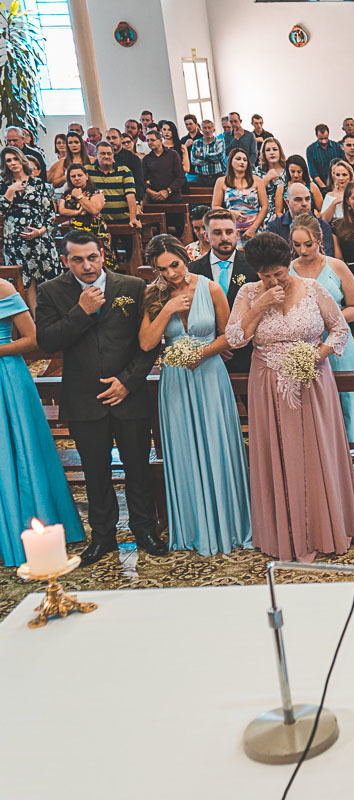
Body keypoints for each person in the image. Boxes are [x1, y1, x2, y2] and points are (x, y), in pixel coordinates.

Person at [225, 231, 354, 561]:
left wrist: (318, 355)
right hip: (267, 384)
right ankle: (283, 533)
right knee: (278, 453)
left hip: (313, 381)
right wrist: (259, 306)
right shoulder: (248, 293)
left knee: (317, 452)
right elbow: (235, 338)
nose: (273, 280)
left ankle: (325, 527)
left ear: (289, 264)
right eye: (265, 275)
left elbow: (339, 328)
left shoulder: (314, 290)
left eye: (279, 273)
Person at [35, 230, 166, 565]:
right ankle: (103, 536)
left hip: (129, 394)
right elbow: (47, 342)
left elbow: (148, 346)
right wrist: (80, 311)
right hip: (83, 397)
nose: (86, 265)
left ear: (103, 253)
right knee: (96, 471)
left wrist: (128, 382)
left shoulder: (132, 287)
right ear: (66, 260)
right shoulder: (52, 292)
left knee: (137, 466)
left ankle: (144, 529)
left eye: (92, 257)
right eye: (77, 259)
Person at [138, 235, 252, 555]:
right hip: (175, 380)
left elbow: (230, 335)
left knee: (217, 445)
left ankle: (228, 524)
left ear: (184, 257)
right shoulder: (153, 294)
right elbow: (147, 343)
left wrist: (202, 354)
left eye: (174, 265)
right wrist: (168, 309)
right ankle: (192, 526)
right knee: (184, 448)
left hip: (210, 375)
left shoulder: (211, 288)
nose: (171, 274)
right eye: (163, 269)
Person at [0, 276, 85, 565]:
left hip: (6, 378)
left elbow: (32, 339)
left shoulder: (3, 288)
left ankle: (24, 529)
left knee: (19, 450)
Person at [288, 214, 354, 443]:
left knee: (346, 398)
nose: (303, 250)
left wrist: (328, 320)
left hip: (337, 342)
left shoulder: (337, 267)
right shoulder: (289, 270)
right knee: (309, 398)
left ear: (320, 239)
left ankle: (353, 451)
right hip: (301, 344)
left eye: (308, 244)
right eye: (297, 245)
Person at [189, 208, 256, 373]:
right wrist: (216, 345)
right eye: (217, 233)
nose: (224, 238)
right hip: (207, 352)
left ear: (237, 234)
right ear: (206, 236)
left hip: (247, 351)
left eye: (229, 232)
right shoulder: (193, 270)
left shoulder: (253, 267)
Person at [0, 147, 58, 313]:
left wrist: (40, 231)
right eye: (8, 161)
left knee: (45, 275)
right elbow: (1, 211)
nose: (12, 163)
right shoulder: (3, 185)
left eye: (15, 159)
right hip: (16, 239)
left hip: (39, 237)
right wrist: (10, 191)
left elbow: (49, 213)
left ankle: (49, 316)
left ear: (21, 160)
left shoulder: (38, 183)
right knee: (26, 279)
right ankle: (33, 320)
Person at [58, 163, 116, 272]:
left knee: (99, 261)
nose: (77, 178)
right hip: (75, 232)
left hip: (96, 231)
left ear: (86, 176)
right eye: (73, 176)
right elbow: (61, 210)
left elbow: (94, 210)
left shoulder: (95, 192)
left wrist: (80, 197)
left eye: (80, 175)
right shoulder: (67, 193)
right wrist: (77, 212)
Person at [266, 182, 338, 258]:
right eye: (298, 200)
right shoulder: (274, 226)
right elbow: (270, 258)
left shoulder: (322, 225)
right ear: (288, 202)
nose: (304, 203)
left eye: (307, 199)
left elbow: (327, 257)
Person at [212, 147, 267, 243]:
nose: (242, 162)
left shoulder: (257, 180)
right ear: (230, 161)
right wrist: (230, 213)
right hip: (232, 230)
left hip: (255, 229)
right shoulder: (221, 181)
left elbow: (265, 206)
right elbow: (215, 207)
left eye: (245, 160)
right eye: (238, 159)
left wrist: (253, 229)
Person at [142, 128, 185, 206]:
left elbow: (180, 177)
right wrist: (150, 192)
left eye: (152, 140)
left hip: (174, 198)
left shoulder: (173, 154)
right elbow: (143, 180)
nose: (149, 143)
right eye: (147, 140)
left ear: (160, 140)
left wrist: (167, 191)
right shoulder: (146, 159)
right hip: (155, 199)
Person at [257, 137, 288, 221]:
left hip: (286, 213)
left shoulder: (288, 170)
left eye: (275, 149)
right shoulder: (257, 172)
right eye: (268, 150)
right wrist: (266, 179)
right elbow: (252, 194)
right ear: (264, 153)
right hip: (264, 216)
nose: (272, 153)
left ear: (280, 152)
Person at [305, 124, 344, 192]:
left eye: (326, 138)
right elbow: (313, 172)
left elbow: (342, 166)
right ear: (316, 136)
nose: (324, 141)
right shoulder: (310, 149)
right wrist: (324, 187)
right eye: (321, 139)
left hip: (337, 185)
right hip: (320, 186)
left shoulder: (337, 147)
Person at [188, 119, 226, 188]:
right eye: (204, 128)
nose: (207, 130)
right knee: (202, 198)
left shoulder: (219, 142)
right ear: (201, 129)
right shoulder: (196, 143)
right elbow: (193, 161)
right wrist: (212, 159)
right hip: (202, 177)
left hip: (217, 176)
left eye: (209, 128)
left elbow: (220, 156)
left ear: (213, 129)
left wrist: (202, 155)